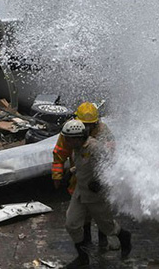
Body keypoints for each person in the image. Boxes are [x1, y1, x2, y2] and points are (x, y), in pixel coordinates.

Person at [59, 119, 132, 268]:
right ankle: (82, 258)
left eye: (68, 139)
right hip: (80, 192)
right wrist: (71, 172)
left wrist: (100, 181)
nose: (66, 142)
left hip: (96, 195)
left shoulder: (95, 147)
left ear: (77, 138)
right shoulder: (77, 148)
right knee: (71, 224)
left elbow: (110, 166)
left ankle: (124, 236)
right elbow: (82, 165)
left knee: (107, 227)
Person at [52, 103, 113, 249]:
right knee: (81, 210)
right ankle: (86, 240)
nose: (87, 128)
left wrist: (102, 179)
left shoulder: (103, 131)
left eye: (90, 125)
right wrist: (58, 176)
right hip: (79, 176)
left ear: (96, 123)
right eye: (84, 124)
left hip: (98, 177)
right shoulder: (70, 131)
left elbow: (109, 157)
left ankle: (103, 237)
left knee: (101, 211)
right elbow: (59, 154)